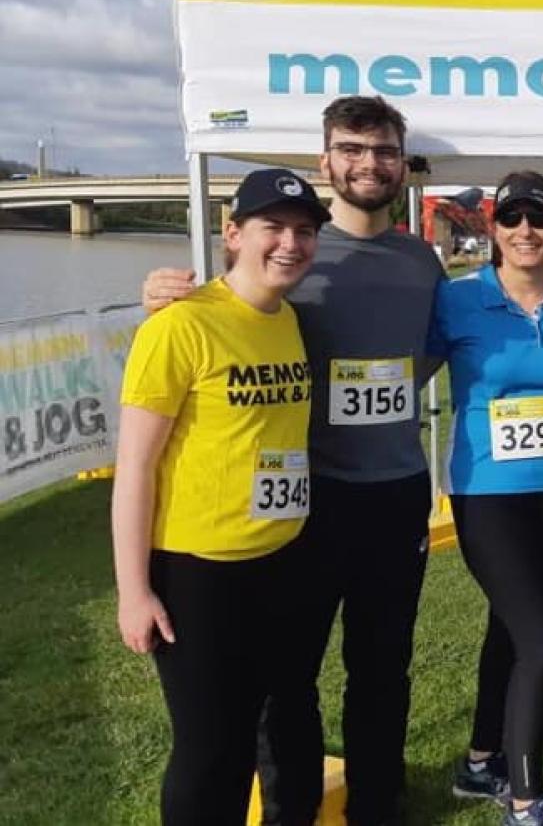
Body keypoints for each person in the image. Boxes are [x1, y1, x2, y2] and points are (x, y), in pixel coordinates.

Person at [141, 96, 445, 826]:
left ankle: (378, 806)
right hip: (304, 501)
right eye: (352, 148)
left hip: (396, 491)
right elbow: (218, 314)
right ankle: (291, 811)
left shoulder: (421, 259)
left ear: (402, 165)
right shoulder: (291, 248)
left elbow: (428, 358)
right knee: (288, 678)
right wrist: (155, 296)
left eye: (383, 152)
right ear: (326, 160)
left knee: (382, 669)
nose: (369, 164)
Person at [113, 169, 327, 824]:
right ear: (233, 234)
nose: (289, 243)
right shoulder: (178, 327)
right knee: (213, 749)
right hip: (197, 571)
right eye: (273, 228)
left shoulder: (290, 319)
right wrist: (134, 590)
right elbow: (135, 467)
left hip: (283, 558)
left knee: (281, 717)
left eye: (303, 231)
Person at [431, 172, 543, 826]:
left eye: (539, 218)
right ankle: (527, 800)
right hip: (489, 496)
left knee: (510, 622)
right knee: (542, 637)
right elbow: (400, 364)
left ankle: (481, 762)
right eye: (512, 219)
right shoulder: (456, 301)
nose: (526, 231)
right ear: (493, 230)